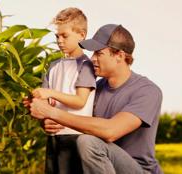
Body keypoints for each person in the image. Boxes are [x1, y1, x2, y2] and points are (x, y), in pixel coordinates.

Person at [29, 24, 163, 174]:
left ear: (119, 55)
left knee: (88, 142)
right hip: (98, 166)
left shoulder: (147, 91)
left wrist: (53, 113)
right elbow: (71, 119)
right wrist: (46, 120)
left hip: (139, 170)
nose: (92, 59)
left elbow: (110, 131)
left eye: (99, 53)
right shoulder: (93, 89)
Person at [27, 7, 96, 174]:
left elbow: (80, 101)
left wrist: (50, 93)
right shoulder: (53, 66)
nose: (59, 40)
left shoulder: (86, 65)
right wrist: (40, 114)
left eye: (65, 36)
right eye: (57, 36)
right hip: (53, 137)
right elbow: (43, 101)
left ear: (82, 35)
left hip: (76, 137)